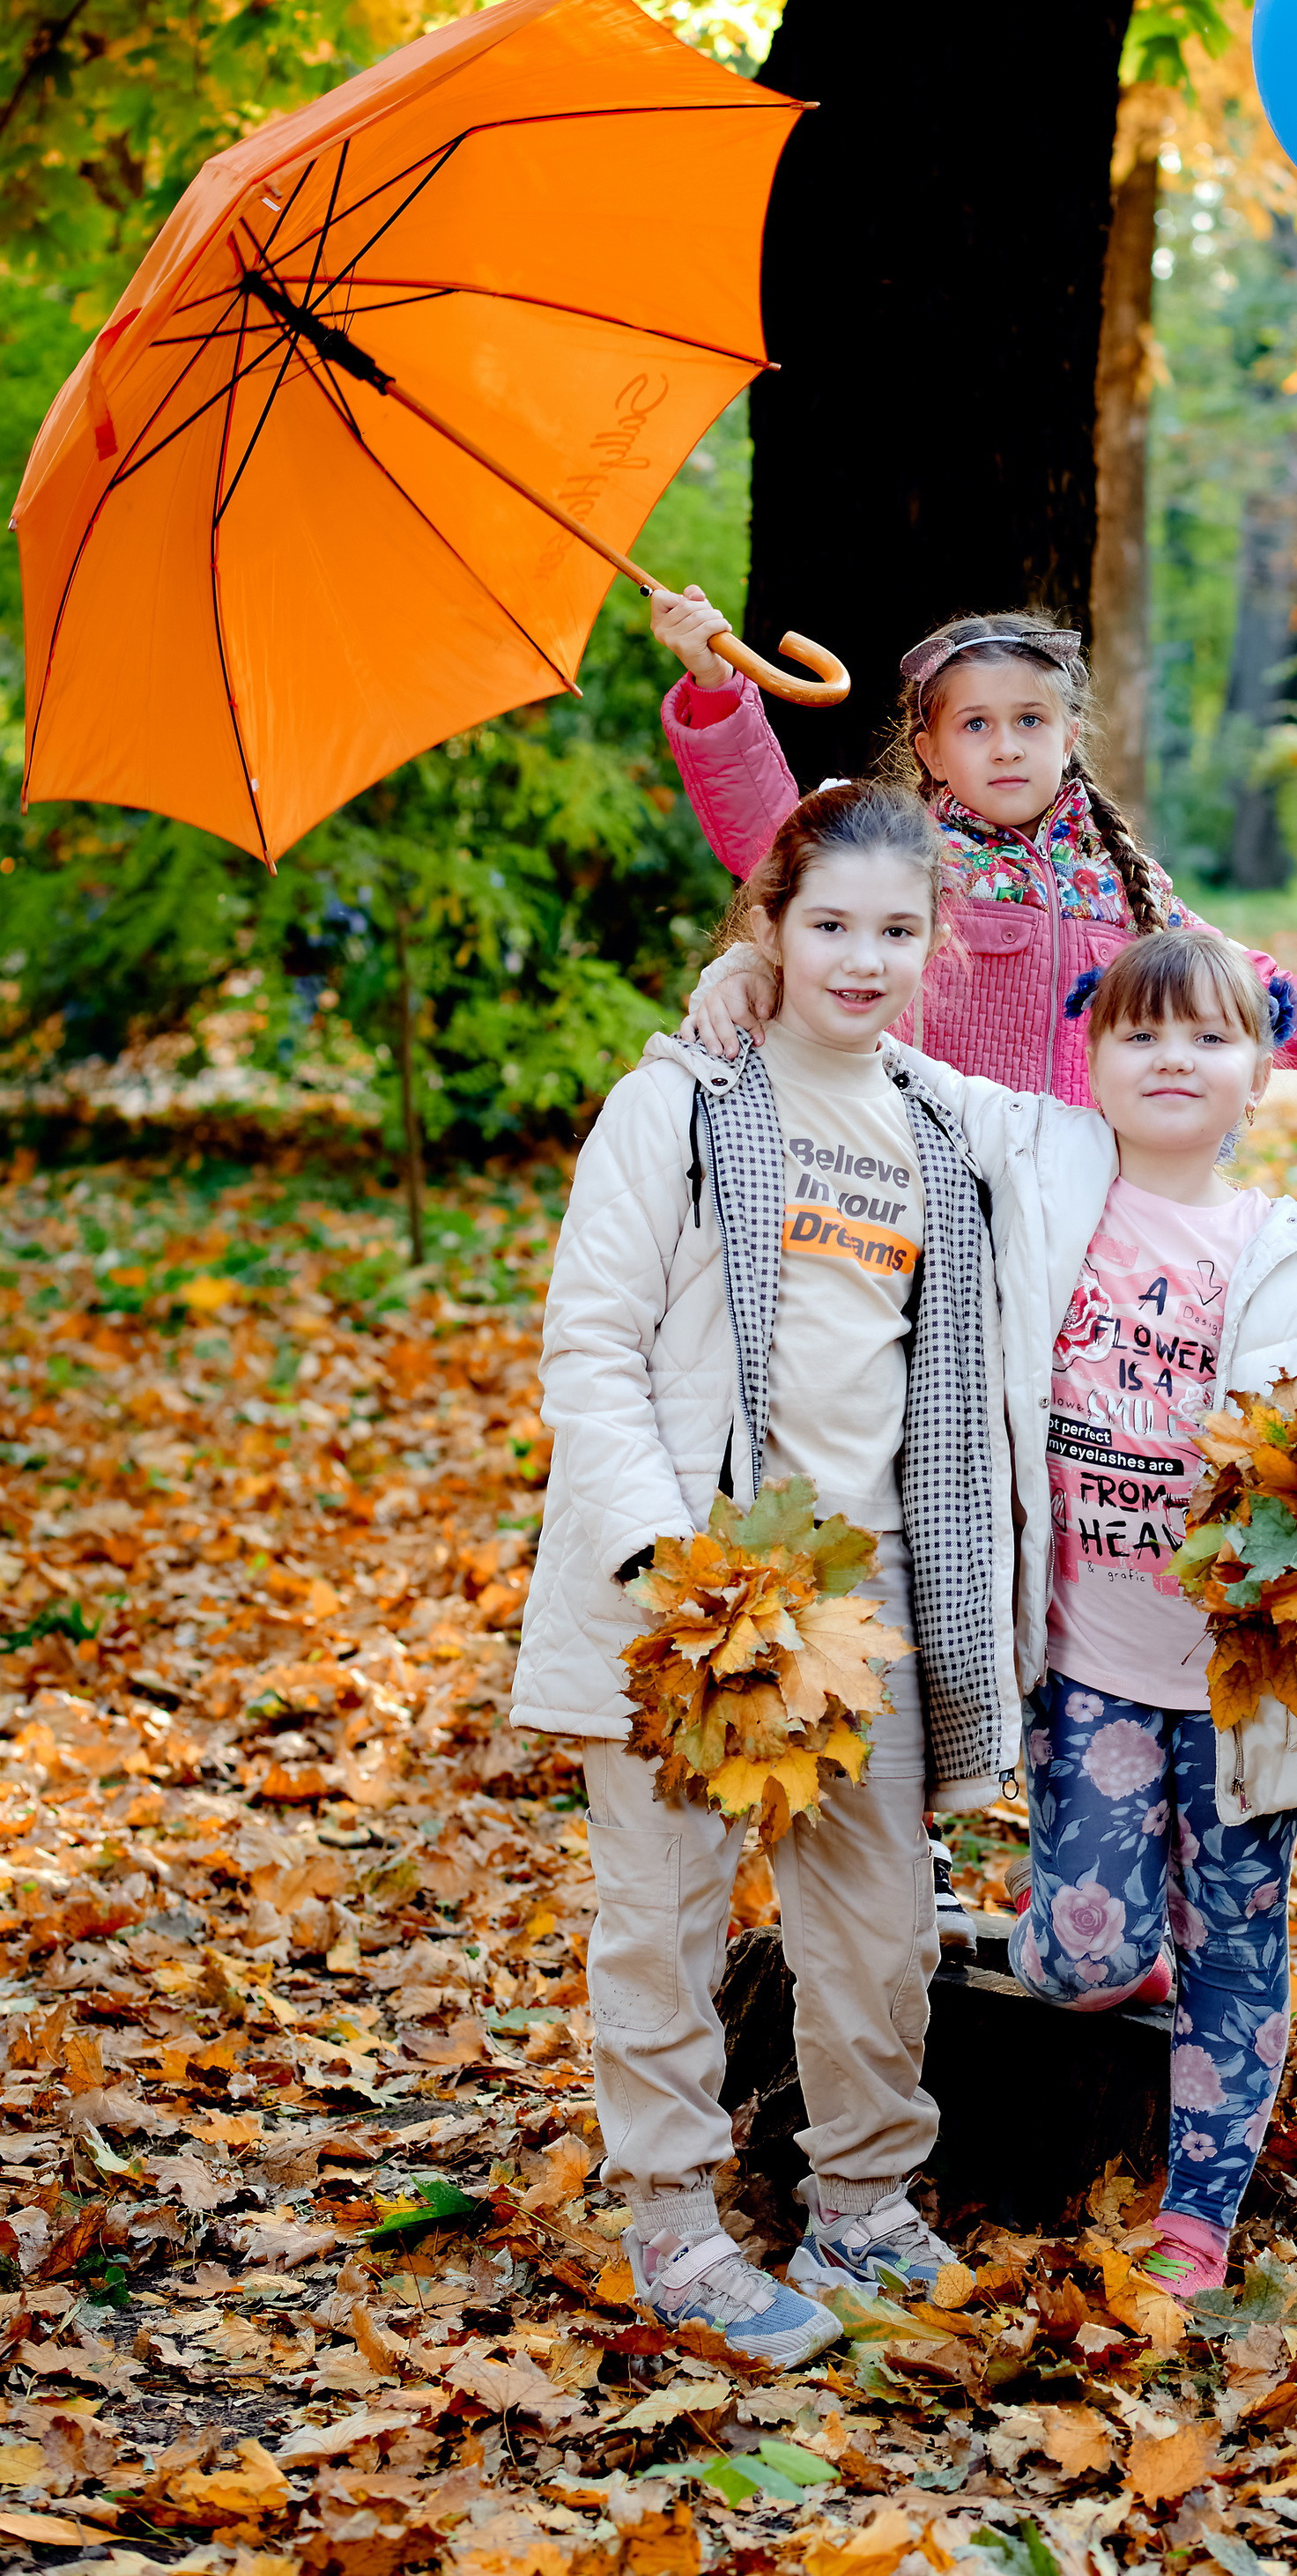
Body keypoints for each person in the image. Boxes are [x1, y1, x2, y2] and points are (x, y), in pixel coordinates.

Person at [508, 781, 1033, 2366]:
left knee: (875, 1931)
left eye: (894, 930)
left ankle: (863, 2203)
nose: (860, 960)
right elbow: (586, 1348)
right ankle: (669, 2219)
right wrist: (668, 1556)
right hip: (680, 1589)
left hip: (853, 1613)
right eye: (826, 927)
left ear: (937, 943)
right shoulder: (676, 1105)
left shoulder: (947, 1124)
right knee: (659, 1918)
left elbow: (1153, 1108)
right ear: (768, 931)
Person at [902, 929, 1297, 2298]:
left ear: (1258, 1070)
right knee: (1077, 1958)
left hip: (1240, 1683)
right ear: (1090, 1058)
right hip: (1092, 1662)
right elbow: (906, 1065)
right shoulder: (1052, 1171)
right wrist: (754, 984)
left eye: (1206, 1036)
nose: (1171, 1057)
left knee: (1233, 1938)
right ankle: (1111, 1953)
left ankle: (1197, 2210)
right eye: (1137, 1033)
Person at [656, 591, 1297, 1106]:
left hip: (1079, 1210)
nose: (1007, 746)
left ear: (1070, 738)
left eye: (1030, 721)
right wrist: (716, 682)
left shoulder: (1127, 889)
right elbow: (762, 836)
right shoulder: (902, 855)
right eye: (976, 725)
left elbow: (1283, 1012)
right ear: (934, 751)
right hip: (917, 1181)